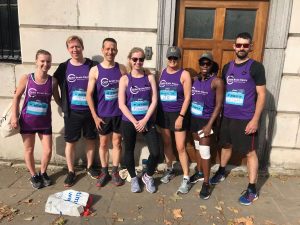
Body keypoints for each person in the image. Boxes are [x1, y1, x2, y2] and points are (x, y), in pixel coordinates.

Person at [210, 32, 266, 205]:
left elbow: (261, 95)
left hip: (246, 118)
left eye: (245, 45)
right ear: (234, 46)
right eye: (239, 45)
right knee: (226, 145)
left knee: (250, 153)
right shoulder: (227, 67)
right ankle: (221, 171)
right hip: (227, 116)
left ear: (250, 47)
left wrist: (255, 120)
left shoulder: (256, 67)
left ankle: (252, 189)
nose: (242, 48)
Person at [53, 35, 99, 187]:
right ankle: (71, 172)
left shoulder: (93, 65)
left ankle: (90, 167)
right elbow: (52, 83)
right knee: (70, 142)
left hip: (91, 111)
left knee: (91, 139)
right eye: (71, 47)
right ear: (68, 49)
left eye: (77, 46)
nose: (75, 49)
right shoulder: (63, 67)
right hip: (72, 112)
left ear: (82, 47)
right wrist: (60, 102)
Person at [11, 49, 60, 189]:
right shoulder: (26, 79)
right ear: (36, 62)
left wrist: (70, 109)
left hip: (45, 122)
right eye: (42, 61)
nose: (45, 64)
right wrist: (15, 116)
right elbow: (17, 97)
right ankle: (33, 175)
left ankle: (43, 173)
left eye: (48, 61)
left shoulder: (53, 81)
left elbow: (57, 99)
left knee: (48, 150)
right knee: (29, 150)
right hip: (28, 122)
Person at [118, 47, 160, 193]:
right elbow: (121, 104)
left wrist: (144, 120)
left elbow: (154, 100)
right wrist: (135, 122)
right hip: (129, 121)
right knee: (128, 150)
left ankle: (147, 176)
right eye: (135, 59)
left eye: (141, 59)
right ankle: (134, 178)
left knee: (155, 152)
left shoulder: (149, 77)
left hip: (147, 120)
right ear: (130, 60)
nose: (138, 62)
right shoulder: (124, 79)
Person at [86, 38, 127, 187]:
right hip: (103, 114)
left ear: (116, 50)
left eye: (113, 49)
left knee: (117, 143)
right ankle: (104, 172)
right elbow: (88, 94)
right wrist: (95, 116)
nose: (110, 52)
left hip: (119, 114)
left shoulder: (122, 69)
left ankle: (115, 171)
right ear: (102, 50)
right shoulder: (95, 70)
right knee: (103, 143)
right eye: (108, 49)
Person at [157, 46, 192, 194]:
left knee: (180, 147)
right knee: (166, 143)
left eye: (175, 58)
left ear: (179, 59)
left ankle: (186, 178)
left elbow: (188, 97)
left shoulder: (184, 74)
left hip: (178, 115)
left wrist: (181, 116)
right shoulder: (162, 73)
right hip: (163, 114)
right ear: (167, 58)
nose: (172, 60)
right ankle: (169, 169)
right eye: (170, 58)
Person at [190, 52, 224, 199]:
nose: (204, 66)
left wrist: (210, 124)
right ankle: (199, 172)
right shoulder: (195, 79)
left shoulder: (217, 81)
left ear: (211, 65)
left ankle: (206, 183)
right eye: (202, 63)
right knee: (197, 148)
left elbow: (219, 106)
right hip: (194, 119)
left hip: (207, 121)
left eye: (207, 63)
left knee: (204, 151)